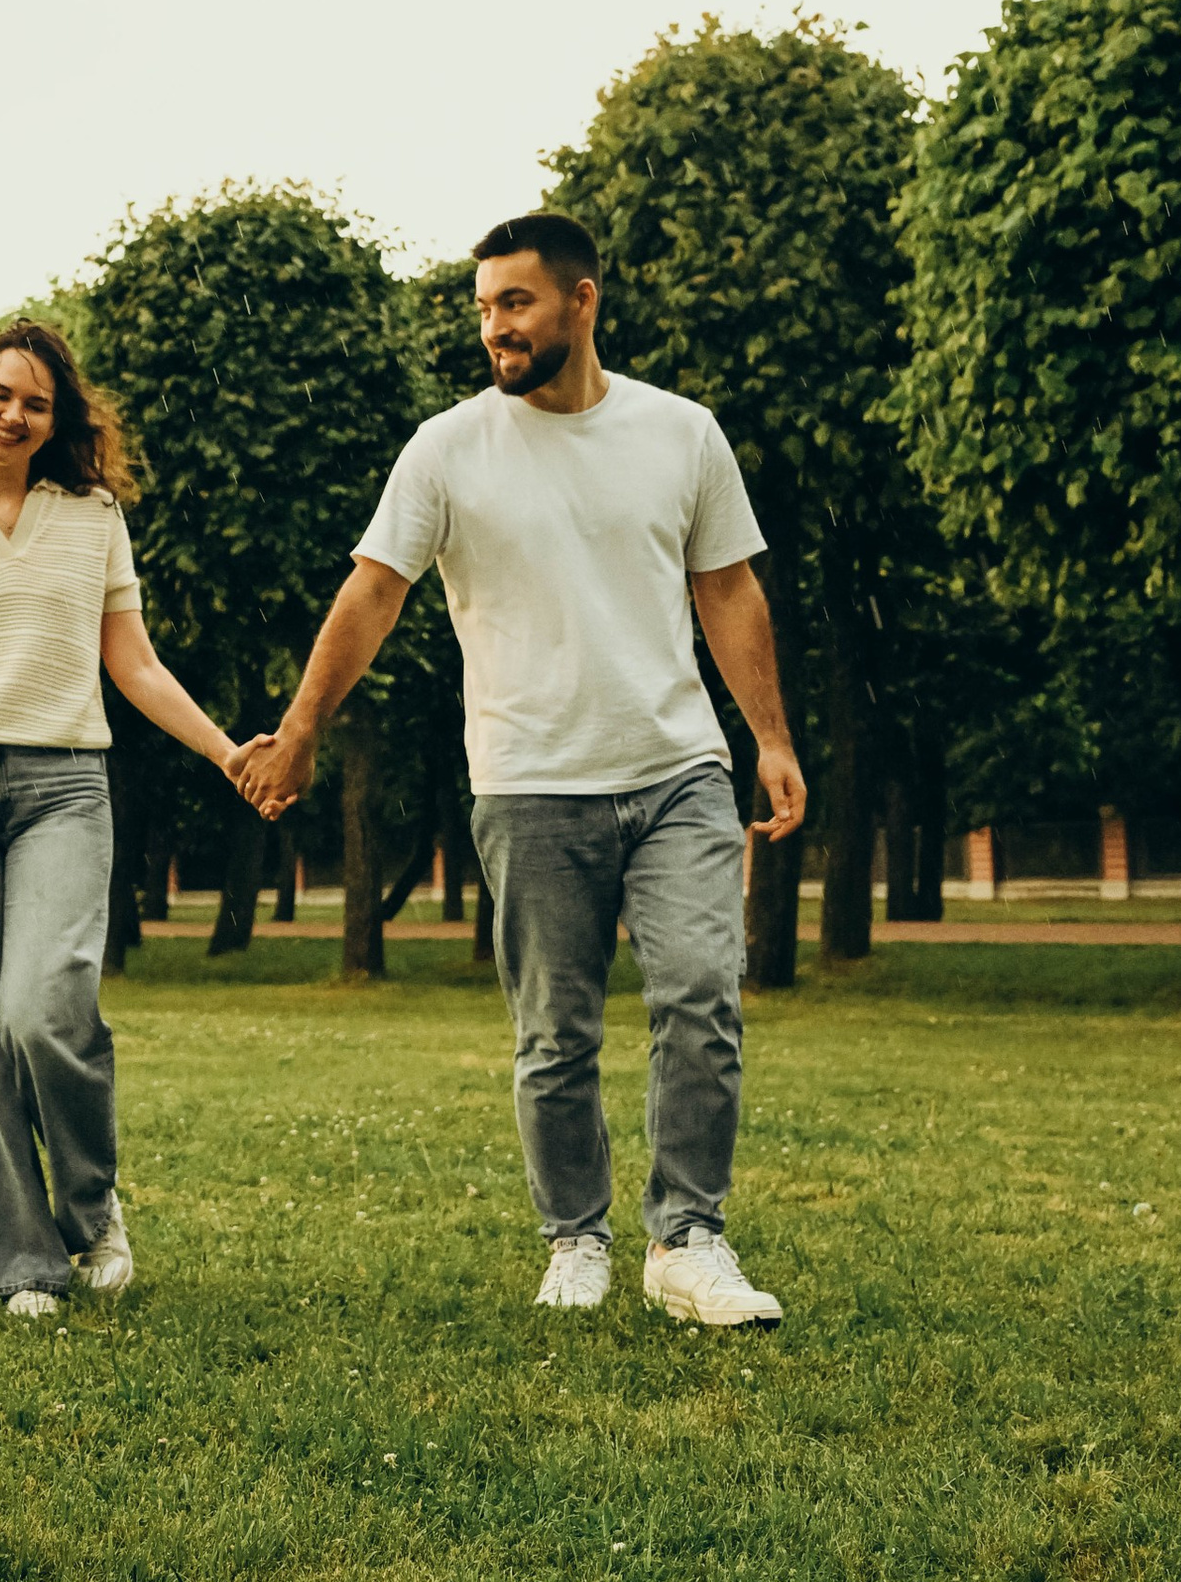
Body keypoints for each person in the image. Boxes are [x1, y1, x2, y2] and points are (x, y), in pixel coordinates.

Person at [233, 214, 804, 1327]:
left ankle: (687, 1238)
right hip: (529, 781)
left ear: (581, 301)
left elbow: (727, 589)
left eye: (515, 304)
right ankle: (577, 1237)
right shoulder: (446, 449)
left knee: (701, 995)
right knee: (556, 1035)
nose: (493, 327)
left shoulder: (681, 434)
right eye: (484, 307)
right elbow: (373, 593)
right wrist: (300, 727)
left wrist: (769, 737)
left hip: (676, 766)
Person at [0, 318, 243, 1316]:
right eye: (1, 392)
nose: (14, 414)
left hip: (64, 783)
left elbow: (136, 666)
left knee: (45, 1006)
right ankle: (19, 1260)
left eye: (37, 402)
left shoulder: (92, 520)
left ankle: (90, 1206)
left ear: (54, 419)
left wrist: (226, 750)